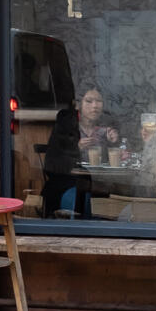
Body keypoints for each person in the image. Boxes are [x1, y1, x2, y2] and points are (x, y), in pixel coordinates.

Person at [41, 85, 121, 216]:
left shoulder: (108, 126)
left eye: (99, 101)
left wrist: (114, 141)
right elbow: (51, 164)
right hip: (69, 184)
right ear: (78, 105)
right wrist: (76, 149)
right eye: (89, 101)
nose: (95, 106)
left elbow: (120, 155)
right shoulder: (66, 126)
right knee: (80, 198)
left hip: (102, 183)